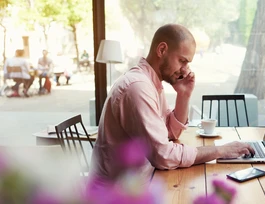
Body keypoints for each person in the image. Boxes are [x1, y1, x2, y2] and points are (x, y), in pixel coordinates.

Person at [90, 24, 255, 182]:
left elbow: (170, 132)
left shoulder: (150, 82)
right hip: (117, 195)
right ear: (162, 50)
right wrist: (220, 150)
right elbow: (163, 155)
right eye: (182, 61)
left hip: (142, 182)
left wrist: (183, 95)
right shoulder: (138, 88)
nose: (185, 69)